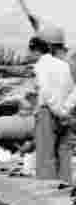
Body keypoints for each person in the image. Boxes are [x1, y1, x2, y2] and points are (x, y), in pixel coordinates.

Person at [29, 25, 74, 183]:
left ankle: (46, 198)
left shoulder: (41, 66)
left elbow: (45, 91)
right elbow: (71, 90)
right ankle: (65, 192)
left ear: (36, 50)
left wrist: (56, 110)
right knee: (64, 155)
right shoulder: (65, 65)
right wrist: (65, 110)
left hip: (49, 113)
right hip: (65, 112)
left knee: (45, 157)